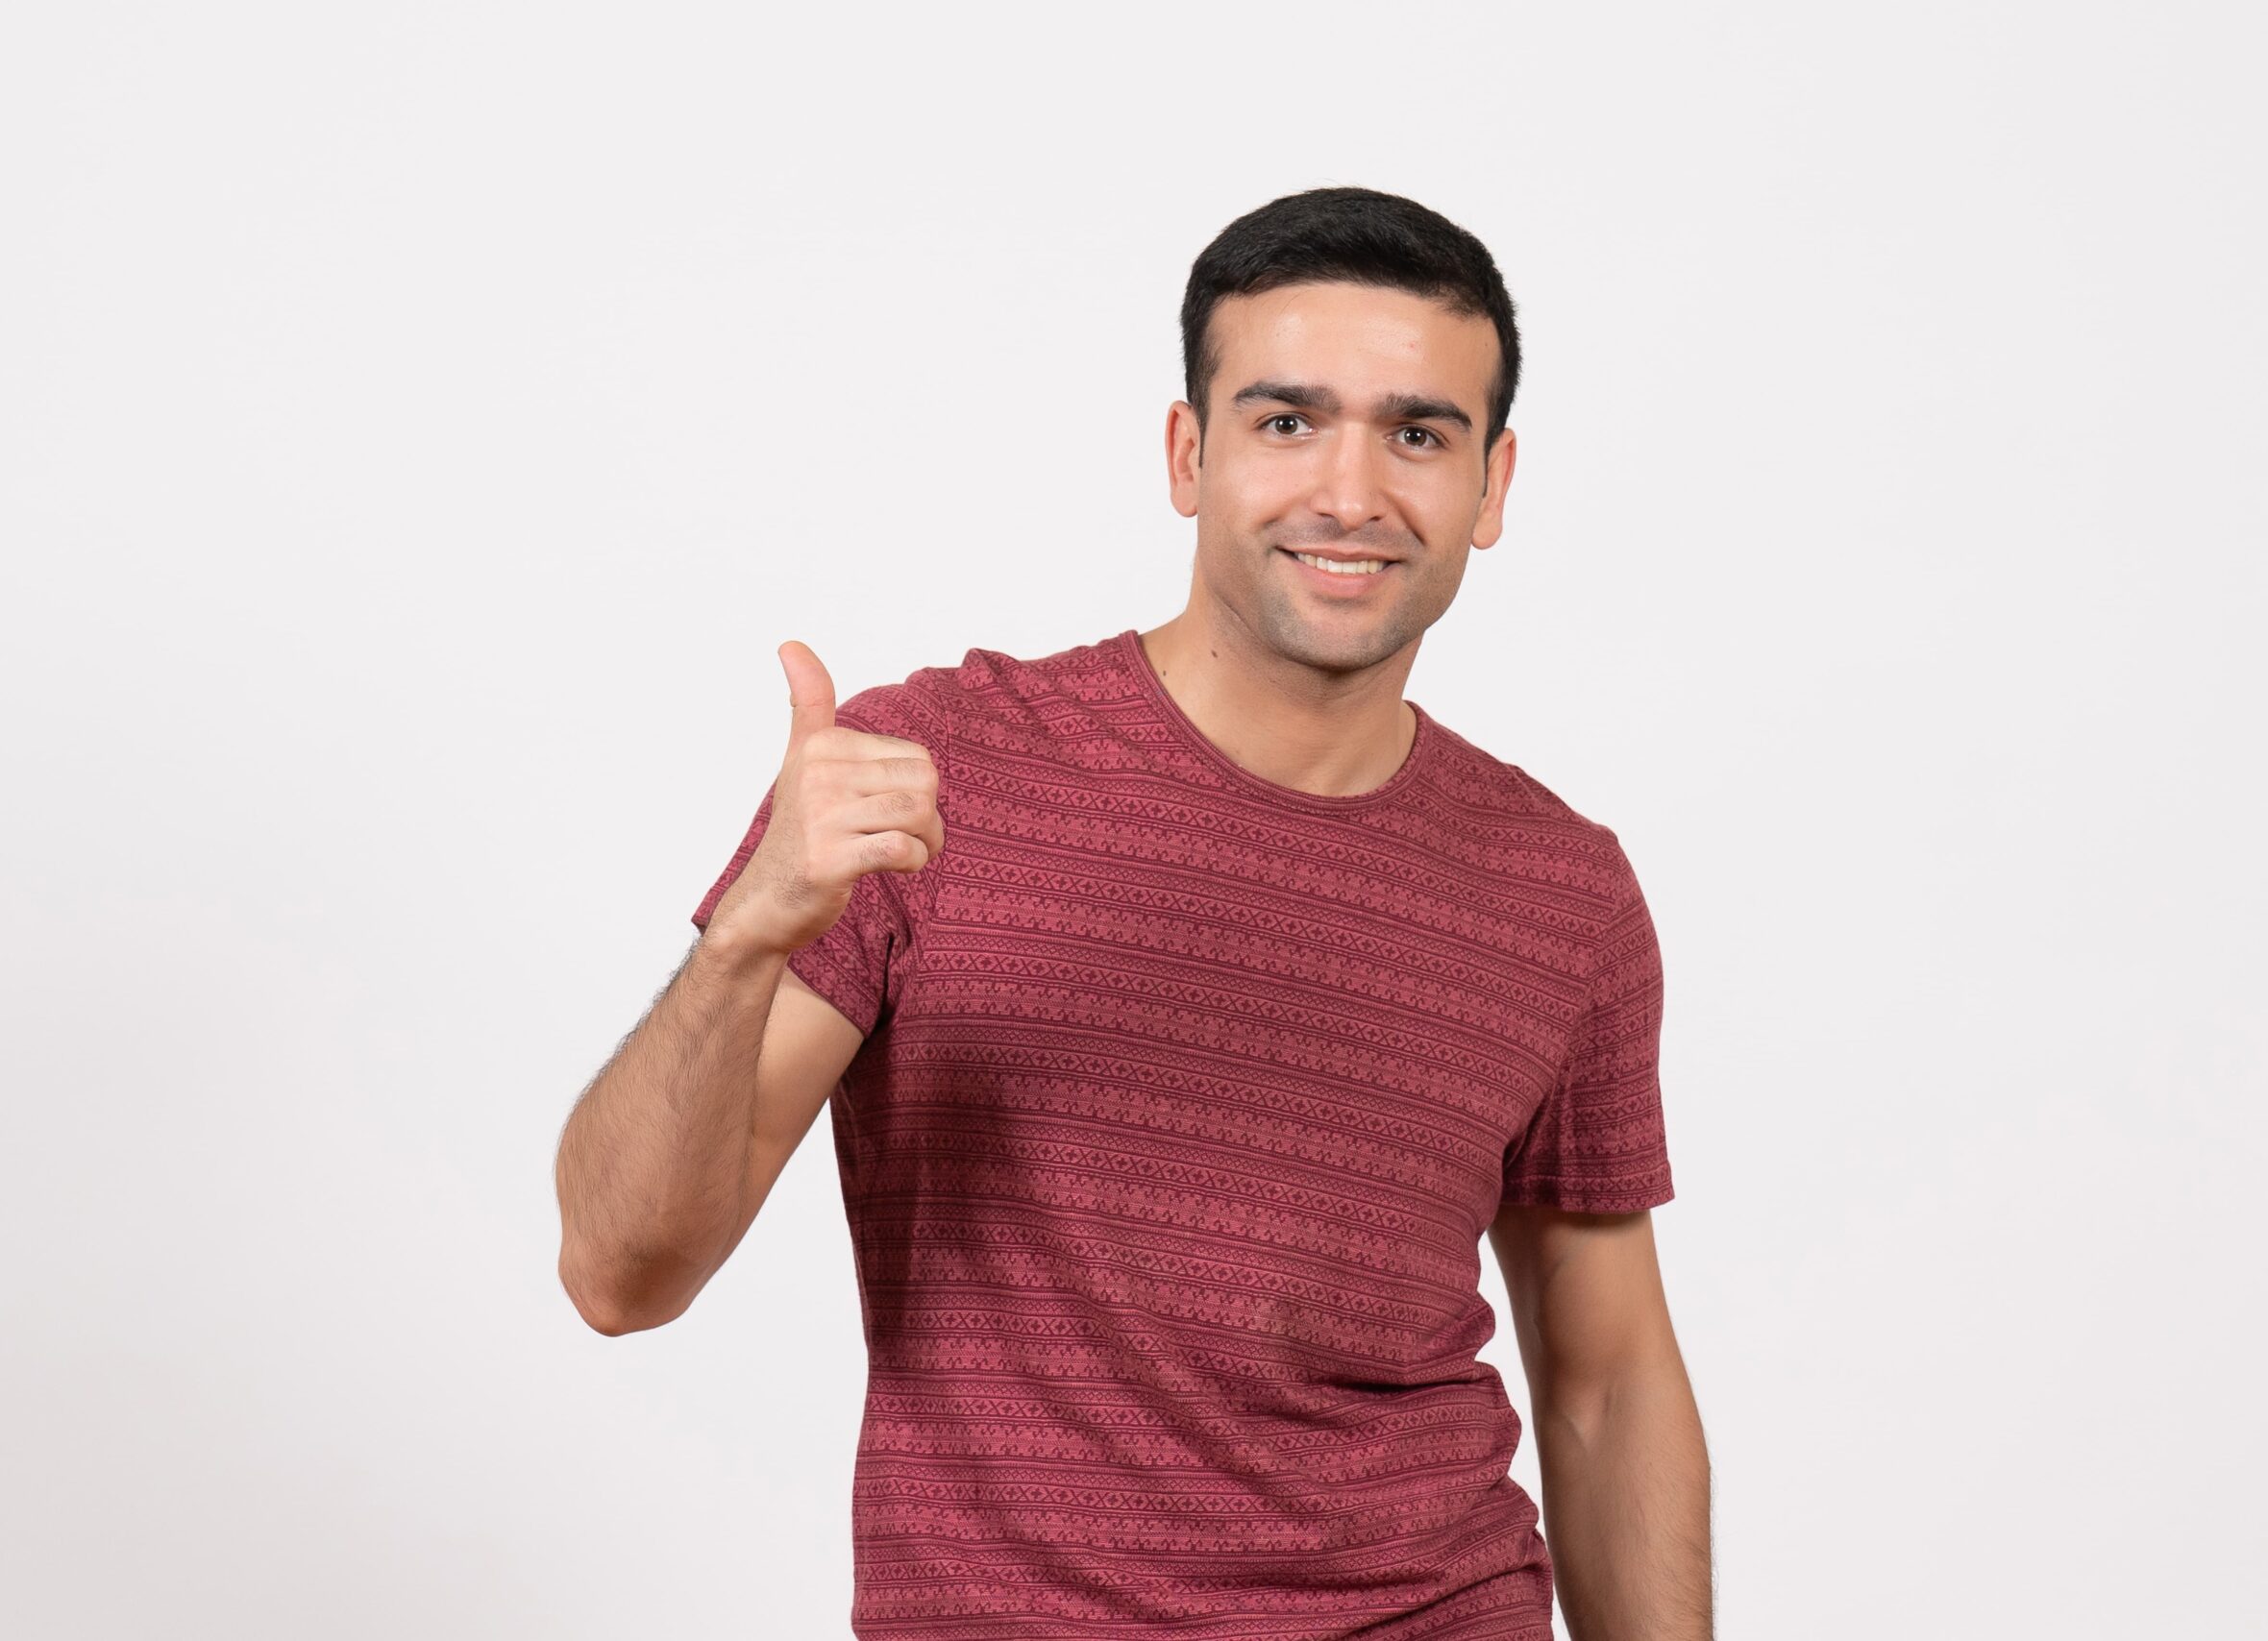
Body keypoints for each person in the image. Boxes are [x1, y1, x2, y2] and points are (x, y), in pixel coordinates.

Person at [555, 185, 1713, 1639]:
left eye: (1417, 434)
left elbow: (1608, 1386)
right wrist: (745, 939)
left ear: (1491, 487)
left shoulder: (1563, 890)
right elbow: (618, 1272)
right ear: (1190, 454)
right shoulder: (938, 775)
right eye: (1287, 422)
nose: (1350, 493)